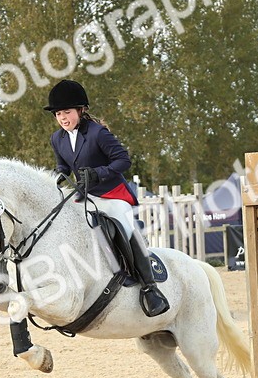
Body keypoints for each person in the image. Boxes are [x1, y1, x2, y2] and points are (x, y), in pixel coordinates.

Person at [44, 79, 170, 317]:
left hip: (112, 193)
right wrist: (58, 176)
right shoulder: (57, 138)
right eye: (58, 114)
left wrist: (98, 173)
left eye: (67, 112)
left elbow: (123, 161)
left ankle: (150, 288)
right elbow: (63, 166)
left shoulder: (97, 133)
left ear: (80, 110)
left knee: (125, 227)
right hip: (85, 194)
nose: (62, 118)